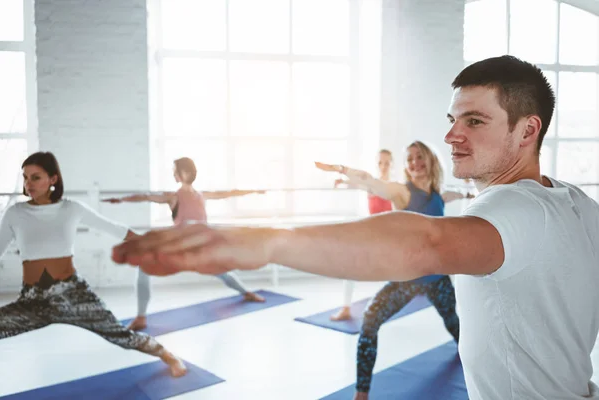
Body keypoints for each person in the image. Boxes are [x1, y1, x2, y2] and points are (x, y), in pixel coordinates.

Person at [111, 55, 599, 399]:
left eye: (474, 121)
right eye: (452, 119)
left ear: (527, 129)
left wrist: (264, 242)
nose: (451, 135)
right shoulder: (577, 203)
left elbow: (424, 242)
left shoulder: (512, 209)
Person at [0, 152, 186, 377]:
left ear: (53, 179)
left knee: (120, 336)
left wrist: (149, 242)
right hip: (33, 300)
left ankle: (168, 355)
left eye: (35, 177)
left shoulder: (71, 209)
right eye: (25, 178)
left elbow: (114, 228)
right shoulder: (16, 213)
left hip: (74, 294)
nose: (28, 184)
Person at [317, 140, 467, 399]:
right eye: (409, 159)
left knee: (454, 323)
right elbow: (370, 181)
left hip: (438, 278)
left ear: (430, 160)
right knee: (369, 323)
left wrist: (473, 195)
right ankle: (361, 394)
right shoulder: (402, 192)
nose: (415, 163)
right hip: (406, 279)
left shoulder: (438, 193)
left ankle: (469, 357)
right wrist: (342, 169)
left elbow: (459, 194)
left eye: (420, 157)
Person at [103, 157, 266, 331]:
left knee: (222, 272)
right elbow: (145, 197)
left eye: (175, 170)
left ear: (185, 172)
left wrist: (253, 191)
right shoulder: (177, 196)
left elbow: (229, 193)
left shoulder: (195, 195)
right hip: (183, 245)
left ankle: (246, 293)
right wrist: (122, 200)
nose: (173, 173)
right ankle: (141, 318)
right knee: (145, 267)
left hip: (198, 245)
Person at [328, 149, 394, 321]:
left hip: (389, 236)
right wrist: (342, 181)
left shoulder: (394, 186)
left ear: (392, 164)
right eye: (380, 162)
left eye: (387, 163)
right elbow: (356, 184)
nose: (383, 166)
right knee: (351, 266)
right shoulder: (371, 183)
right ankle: (346, 308)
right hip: (372, 234)